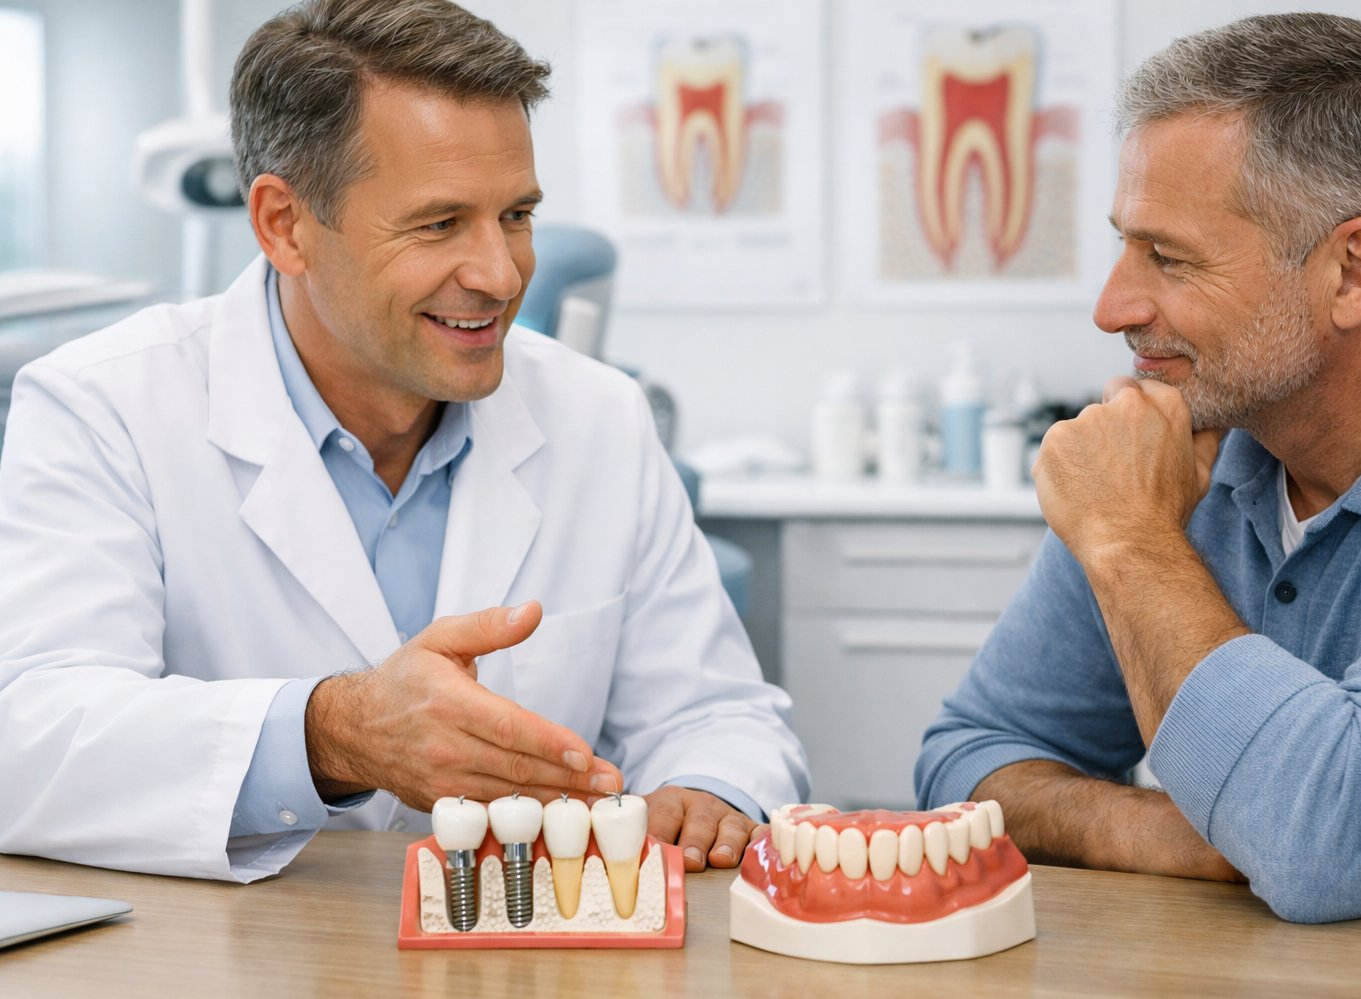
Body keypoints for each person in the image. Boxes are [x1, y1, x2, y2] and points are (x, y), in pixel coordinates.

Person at [0, 0, 807, 882]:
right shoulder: (101, 407)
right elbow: (31, 739)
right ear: (285, 224)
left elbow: (718, 711)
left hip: (525, 990)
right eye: (438, 224)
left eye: (517, 215)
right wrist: (333, 734)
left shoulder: (600, 415)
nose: (501, 275)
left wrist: (708, 791)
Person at [916, 13, 1361, 923]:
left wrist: (1130, 540)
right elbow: (967, 759)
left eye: (1167, 257)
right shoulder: (1187, 442)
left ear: (1354, 272)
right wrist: (1176, 835)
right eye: (1125, 244)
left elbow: (1337, 844)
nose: (1112, 306)